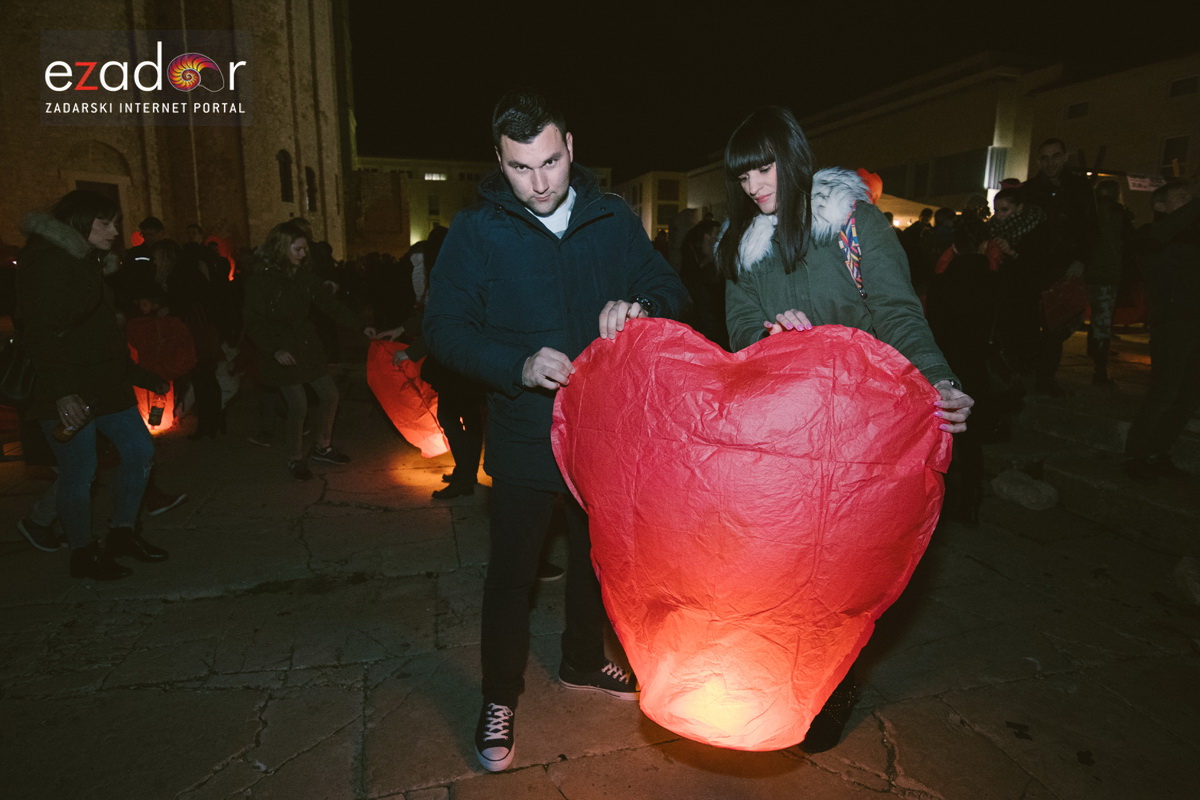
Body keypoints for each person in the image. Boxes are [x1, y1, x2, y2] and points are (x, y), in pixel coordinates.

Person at [423, 89, 687, 773]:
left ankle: (580, 659)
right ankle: (499, 695)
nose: (538, 183)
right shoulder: (478, 231)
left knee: (595, 561)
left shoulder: (613, 218)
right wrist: (517, 364)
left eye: (548, 162)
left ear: (570, 148)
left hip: (605, 434)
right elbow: (443, 331)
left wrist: (642, 304)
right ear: (498, 162)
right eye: (519, 168)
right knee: (512, 574)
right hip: (524, 437)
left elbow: (672, 288)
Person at [719, 106, 973, 752]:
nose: (754, 187)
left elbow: (898, 313)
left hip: (863, 430)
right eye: (743, 176)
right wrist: (772, 337)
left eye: (763, 168)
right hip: (788, 435)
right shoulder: (743, 249)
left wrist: (939, 381)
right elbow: (741, 331)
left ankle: (838, 683)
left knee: (849, 569)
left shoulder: (854, 223)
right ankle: (789, 674)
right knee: (788, 567)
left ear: (793, 156)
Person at [17, 189, 170, 580]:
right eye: (105, 223)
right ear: (78, 223)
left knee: (139, 450)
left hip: (106, 383)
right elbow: (40, 332)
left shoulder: (88, 261)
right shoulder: (49, 262)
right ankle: (83, 553)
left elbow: (99, 330)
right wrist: (62, 391)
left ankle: (121, 533)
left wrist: (137, 374)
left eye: (116, 222)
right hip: (67, 385)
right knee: (80, 471)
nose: (115, 231)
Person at [242, 220, 376, 480]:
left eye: (305, 250)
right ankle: (295, 458)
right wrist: (274, 350)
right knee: (298, 404)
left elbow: (329, 304)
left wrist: (361, 326)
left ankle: (322, 447)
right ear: (282, 248)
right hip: (281, 348)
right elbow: (253, 322)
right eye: (298, 250)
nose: (304, 255)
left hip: (305, 344)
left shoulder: (303, 275)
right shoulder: (261, 280)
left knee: (330, 394)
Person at [1123, 181, 1200, 480]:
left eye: (1192, 197)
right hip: (1173, 324)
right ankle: (1137, 454)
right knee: (1164, 393)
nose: (1191, 202)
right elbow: (1161, 237)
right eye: (1182, 198)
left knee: (1189, 396)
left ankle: (1158, 451)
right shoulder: (1150, 236)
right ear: (1160, 206)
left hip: (1196, 322)